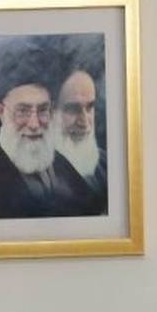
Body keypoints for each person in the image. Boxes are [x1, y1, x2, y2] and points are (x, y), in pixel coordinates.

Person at [0, 44, 99, 219]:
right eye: (23, 111)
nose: (34, 124)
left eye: (42, 110)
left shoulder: (60, 164)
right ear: (1, 112)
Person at [53, 68, 107, 214]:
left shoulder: (105, 163)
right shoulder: (42, 178)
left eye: (89, 107)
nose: (85, 122)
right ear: (51, 112)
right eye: (73, 109)